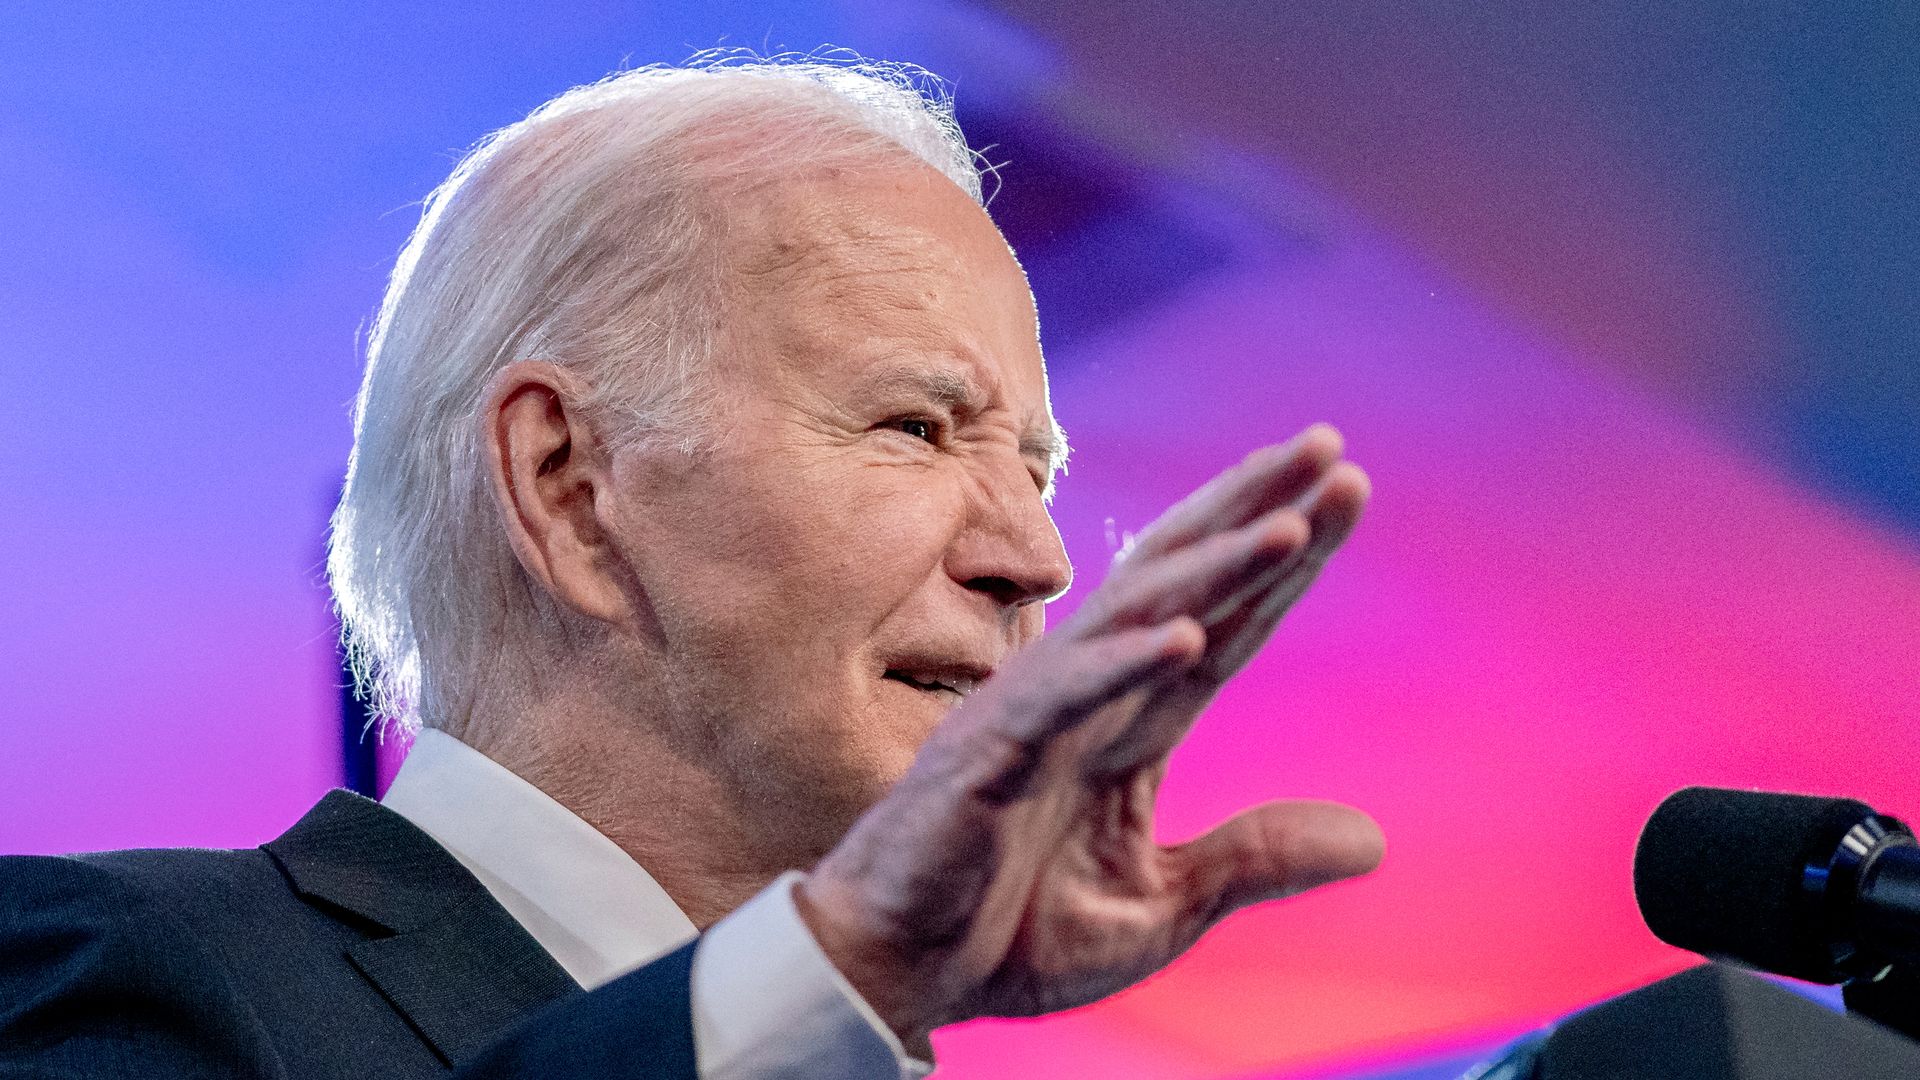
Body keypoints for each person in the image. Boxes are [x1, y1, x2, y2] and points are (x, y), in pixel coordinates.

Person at [0, 53, 1383, 1078]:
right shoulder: (124, 968)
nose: (1036, 558)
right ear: (571, 488)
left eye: (1035, 469)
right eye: (915, 428)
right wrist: (834, 976)